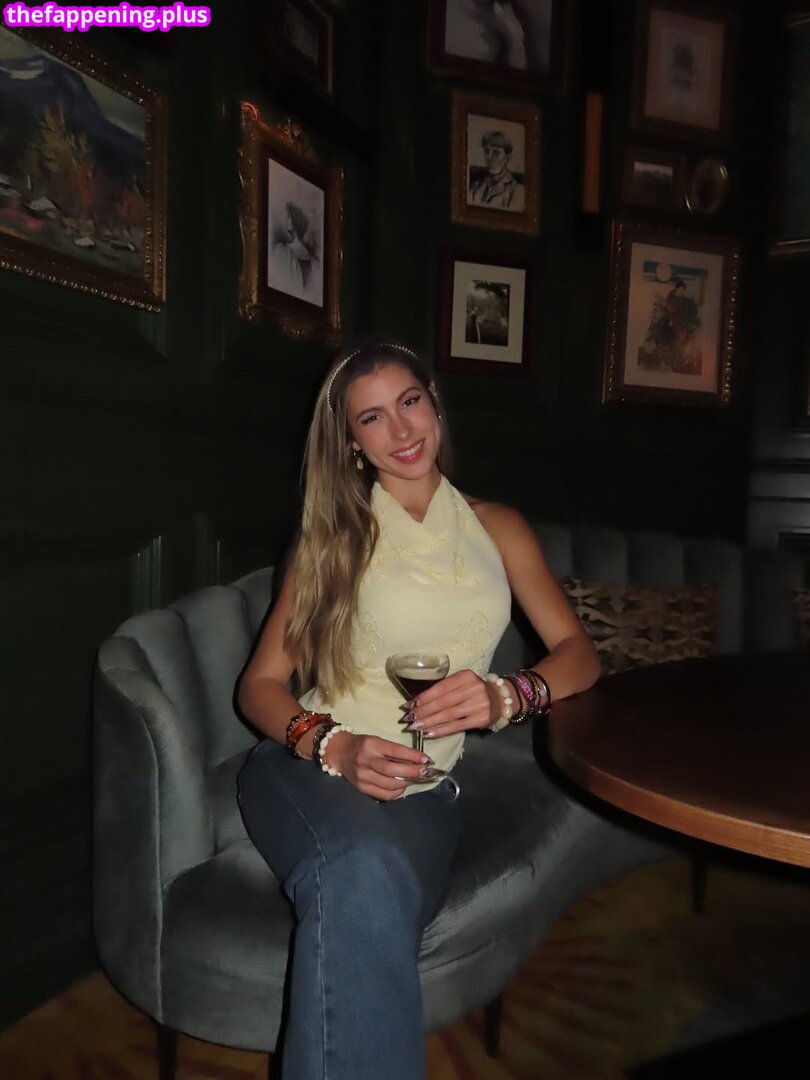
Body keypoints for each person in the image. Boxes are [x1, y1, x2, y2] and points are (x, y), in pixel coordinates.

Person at [236, 340, 600, 1079]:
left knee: (367, 881)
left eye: (409, 403)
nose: (401, 430)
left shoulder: (499, 527)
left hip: (425, 790)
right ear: (351, 442)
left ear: (434, 403)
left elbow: (579, 654)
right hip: (305, 768)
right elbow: (260, 686)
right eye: (372, 417)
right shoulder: (333, 538)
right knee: (361, 870)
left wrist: (507, 694)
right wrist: (334, 746)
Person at [468, 129, 525, 211]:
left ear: (508, 158)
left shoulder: (517, 191)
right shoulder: (476, 186)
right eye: (487, 151)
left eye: (496, 153)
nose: (489, 157)